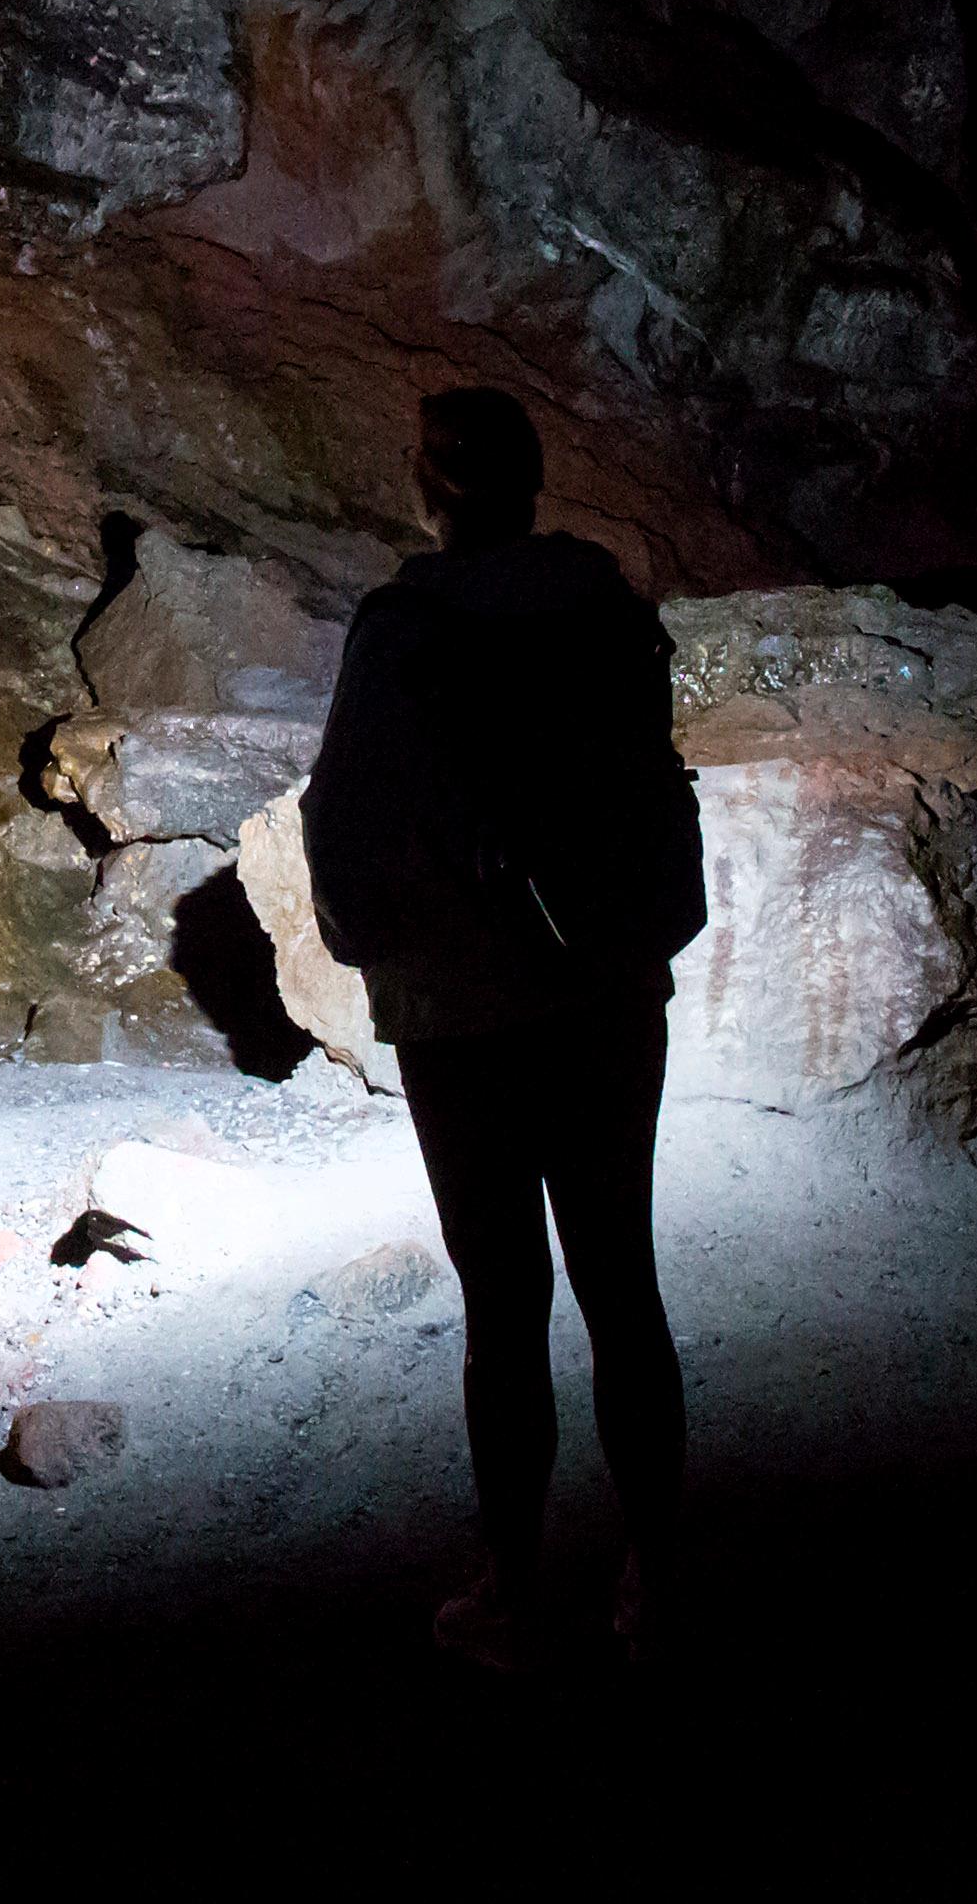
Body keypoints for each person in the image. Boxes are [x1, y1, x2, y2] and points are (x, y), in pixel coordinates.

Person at [298, 385, 702, 1673]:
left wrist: (377, 949)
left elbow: (345, 815)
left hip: (463, 1014)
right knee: (620, 1282)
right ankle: (661, 1575)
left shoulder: (402, 628)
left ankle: (516, 1588)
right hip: (602, 994)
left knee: (506, 1299)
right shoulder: (605, 610)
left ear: (430, 486)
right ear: (532, 482)